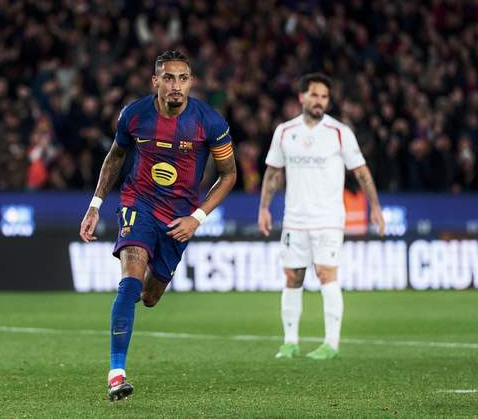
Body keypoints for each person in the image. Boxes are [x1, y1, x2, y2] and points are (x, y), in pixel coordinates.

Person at [79, 50, 236, 401]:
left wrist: (197, 218)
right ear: (155, 82)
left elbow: (229, 175)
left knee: (149, 297)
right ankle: (116, 374)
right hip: (138, 203)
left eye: (183, 78)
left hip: (179, 218)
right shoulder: (134, 115)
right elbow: (116, 156)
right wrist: (95, 205)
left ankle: (131, 302)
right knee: (130, 279)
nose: (176, 85)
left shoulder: (209, 122)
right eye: (168, 78)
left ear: (191, 82)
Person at [258, 73, 385, 360]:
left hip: (328, 219)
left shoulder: (339, 132)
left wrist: (375, 206)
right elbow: (273, 172)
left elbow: (361, 172)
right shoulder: (284, 132)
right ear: (301, 97)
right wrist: (264, 208)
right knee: (293, 276)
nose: (319, 101)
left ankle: (331, 343)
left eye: (324, 97)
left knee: (327, 274)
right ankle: (290, 342)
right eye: (314, 95)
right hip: (294, 219)